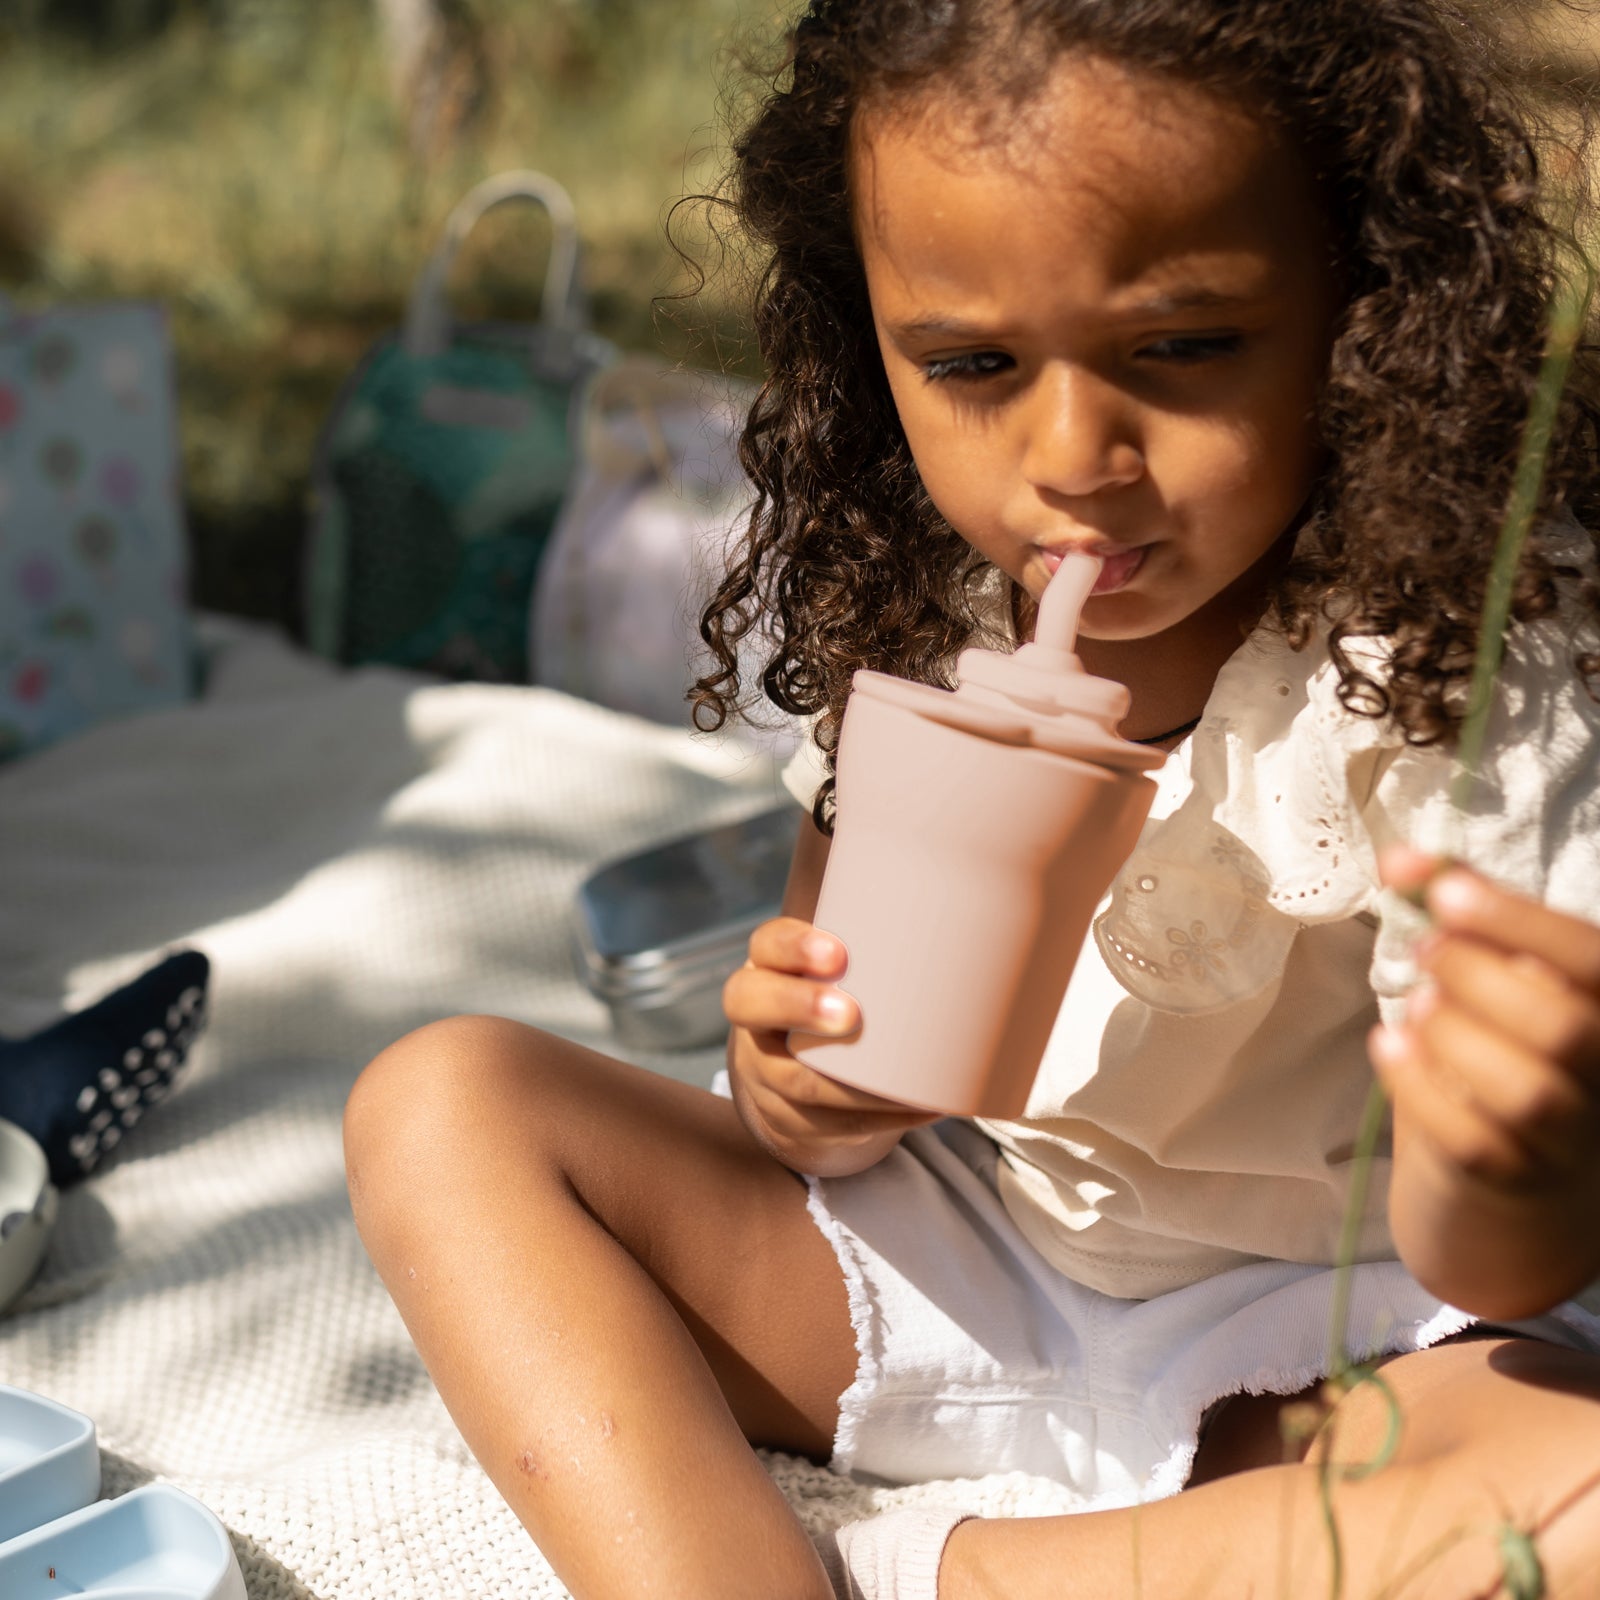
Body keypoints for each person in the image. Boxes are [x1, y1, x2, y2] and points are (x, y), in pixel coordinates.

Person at [342, 0, 1600, 1594]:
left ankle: (977, 1570)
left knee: (1575, 1495)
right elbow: (816, 1065)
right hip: (974, 1268)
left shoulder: (1468, 658)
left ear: (1364, 303)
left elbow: (1504, 1260)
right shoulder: (924, 598)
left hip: (1349, 1345)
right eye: (973, 363)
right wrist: (795, 1079)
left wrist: (1518, 1161)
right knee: (444, 1099)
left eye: (1185, 346)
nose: (1074, 455)